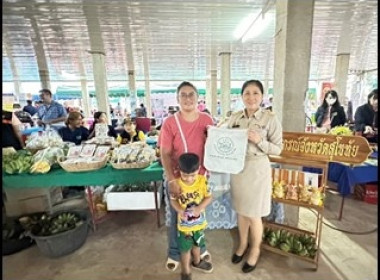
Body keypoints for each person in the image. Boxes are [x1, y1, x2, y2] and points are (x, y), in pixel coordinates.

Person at [227, 80, 282, 273]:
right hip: (238, 169)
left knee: (254, 214)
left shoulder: (270, 119)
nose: (251, 97)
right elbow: (224, 139)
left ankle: (255, 250)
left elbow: (278, 150)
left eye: (256, 93)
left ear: (262, 96)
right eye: (247, 93)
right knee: (242, 211)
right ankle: (242, 245)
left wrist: (260, 141)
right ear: (241, 96)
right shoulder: (234, 118)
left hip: (258, 169)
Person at [159, 81, 214, 273]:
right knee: (178, 217)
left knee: (199, 214)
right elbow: (164, 152)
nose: (188, 98)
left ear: (198, 98)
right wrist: (172, 179)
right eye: (183, 94)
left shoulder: (207, 119)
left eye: (192, 94)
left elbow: (214, 146)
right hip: (178, 178)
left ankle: (200, 250)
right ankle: (175, 252)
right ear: (177, 98)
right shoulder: (170, 123)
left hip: (200, 178)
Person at [170, 153, 213, 280]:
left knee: (197, 244)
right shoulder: (176, 184)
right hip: (185, 227)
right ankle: (186, 272)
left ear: (198, 169)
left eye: (192, 175)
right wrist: (179, 210)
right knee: (185, 249)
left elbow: (209, 197)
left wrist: (199, 208)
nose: (189, 179)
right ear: (179, 170)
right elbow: (173, 200)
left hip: (199, 224)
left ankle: (197, 262)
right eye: (185, 175)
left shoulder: (202, 181)